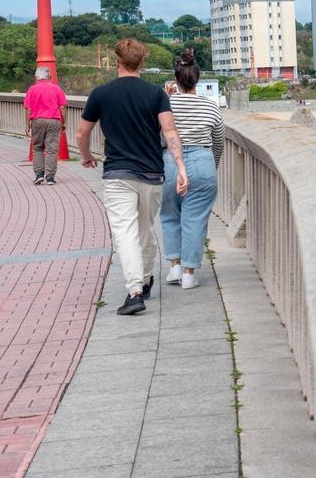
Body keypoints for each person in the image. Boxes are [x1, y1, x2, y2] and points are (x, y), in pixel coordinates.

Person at [77, 39, 188, 316]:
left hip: (117, 173)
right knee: (144, 229)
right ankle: (145, 279)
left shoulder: (101, 94)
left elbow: (82, 132)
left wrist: (86, 156)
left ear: (116, 62)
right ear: (142, 63)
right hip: (152, 173)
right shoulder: (156, 94)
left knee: (125, 232)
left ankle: (135, 291)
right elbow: (170, 133)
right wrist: (181, 167)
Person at [160, 50, 223, 289]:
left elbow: (159, 135)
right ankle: (189, 273)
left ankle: (174, 267)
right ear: (197, 80)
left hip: (169, 161)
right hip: (202, 160)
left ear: (175, 79)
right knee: (194, 218)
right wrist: (212, 164)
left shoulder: (165, 104)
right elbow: (218, 140)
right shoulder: (210, 106)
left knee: (169, 215)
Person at [23, 67, 67, 186]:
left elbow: (28, 109)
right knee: (52, 149)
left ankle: (39, 175)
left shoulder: (32, 89)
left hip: (37, 121)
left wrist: (28, 125)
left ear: (37, 77)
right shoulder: (56, 88)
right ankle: (50, 177)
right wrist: (63, 122)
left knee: (37, 148)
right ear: (50, 77)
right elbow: (62, 107)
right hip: (53, 121)